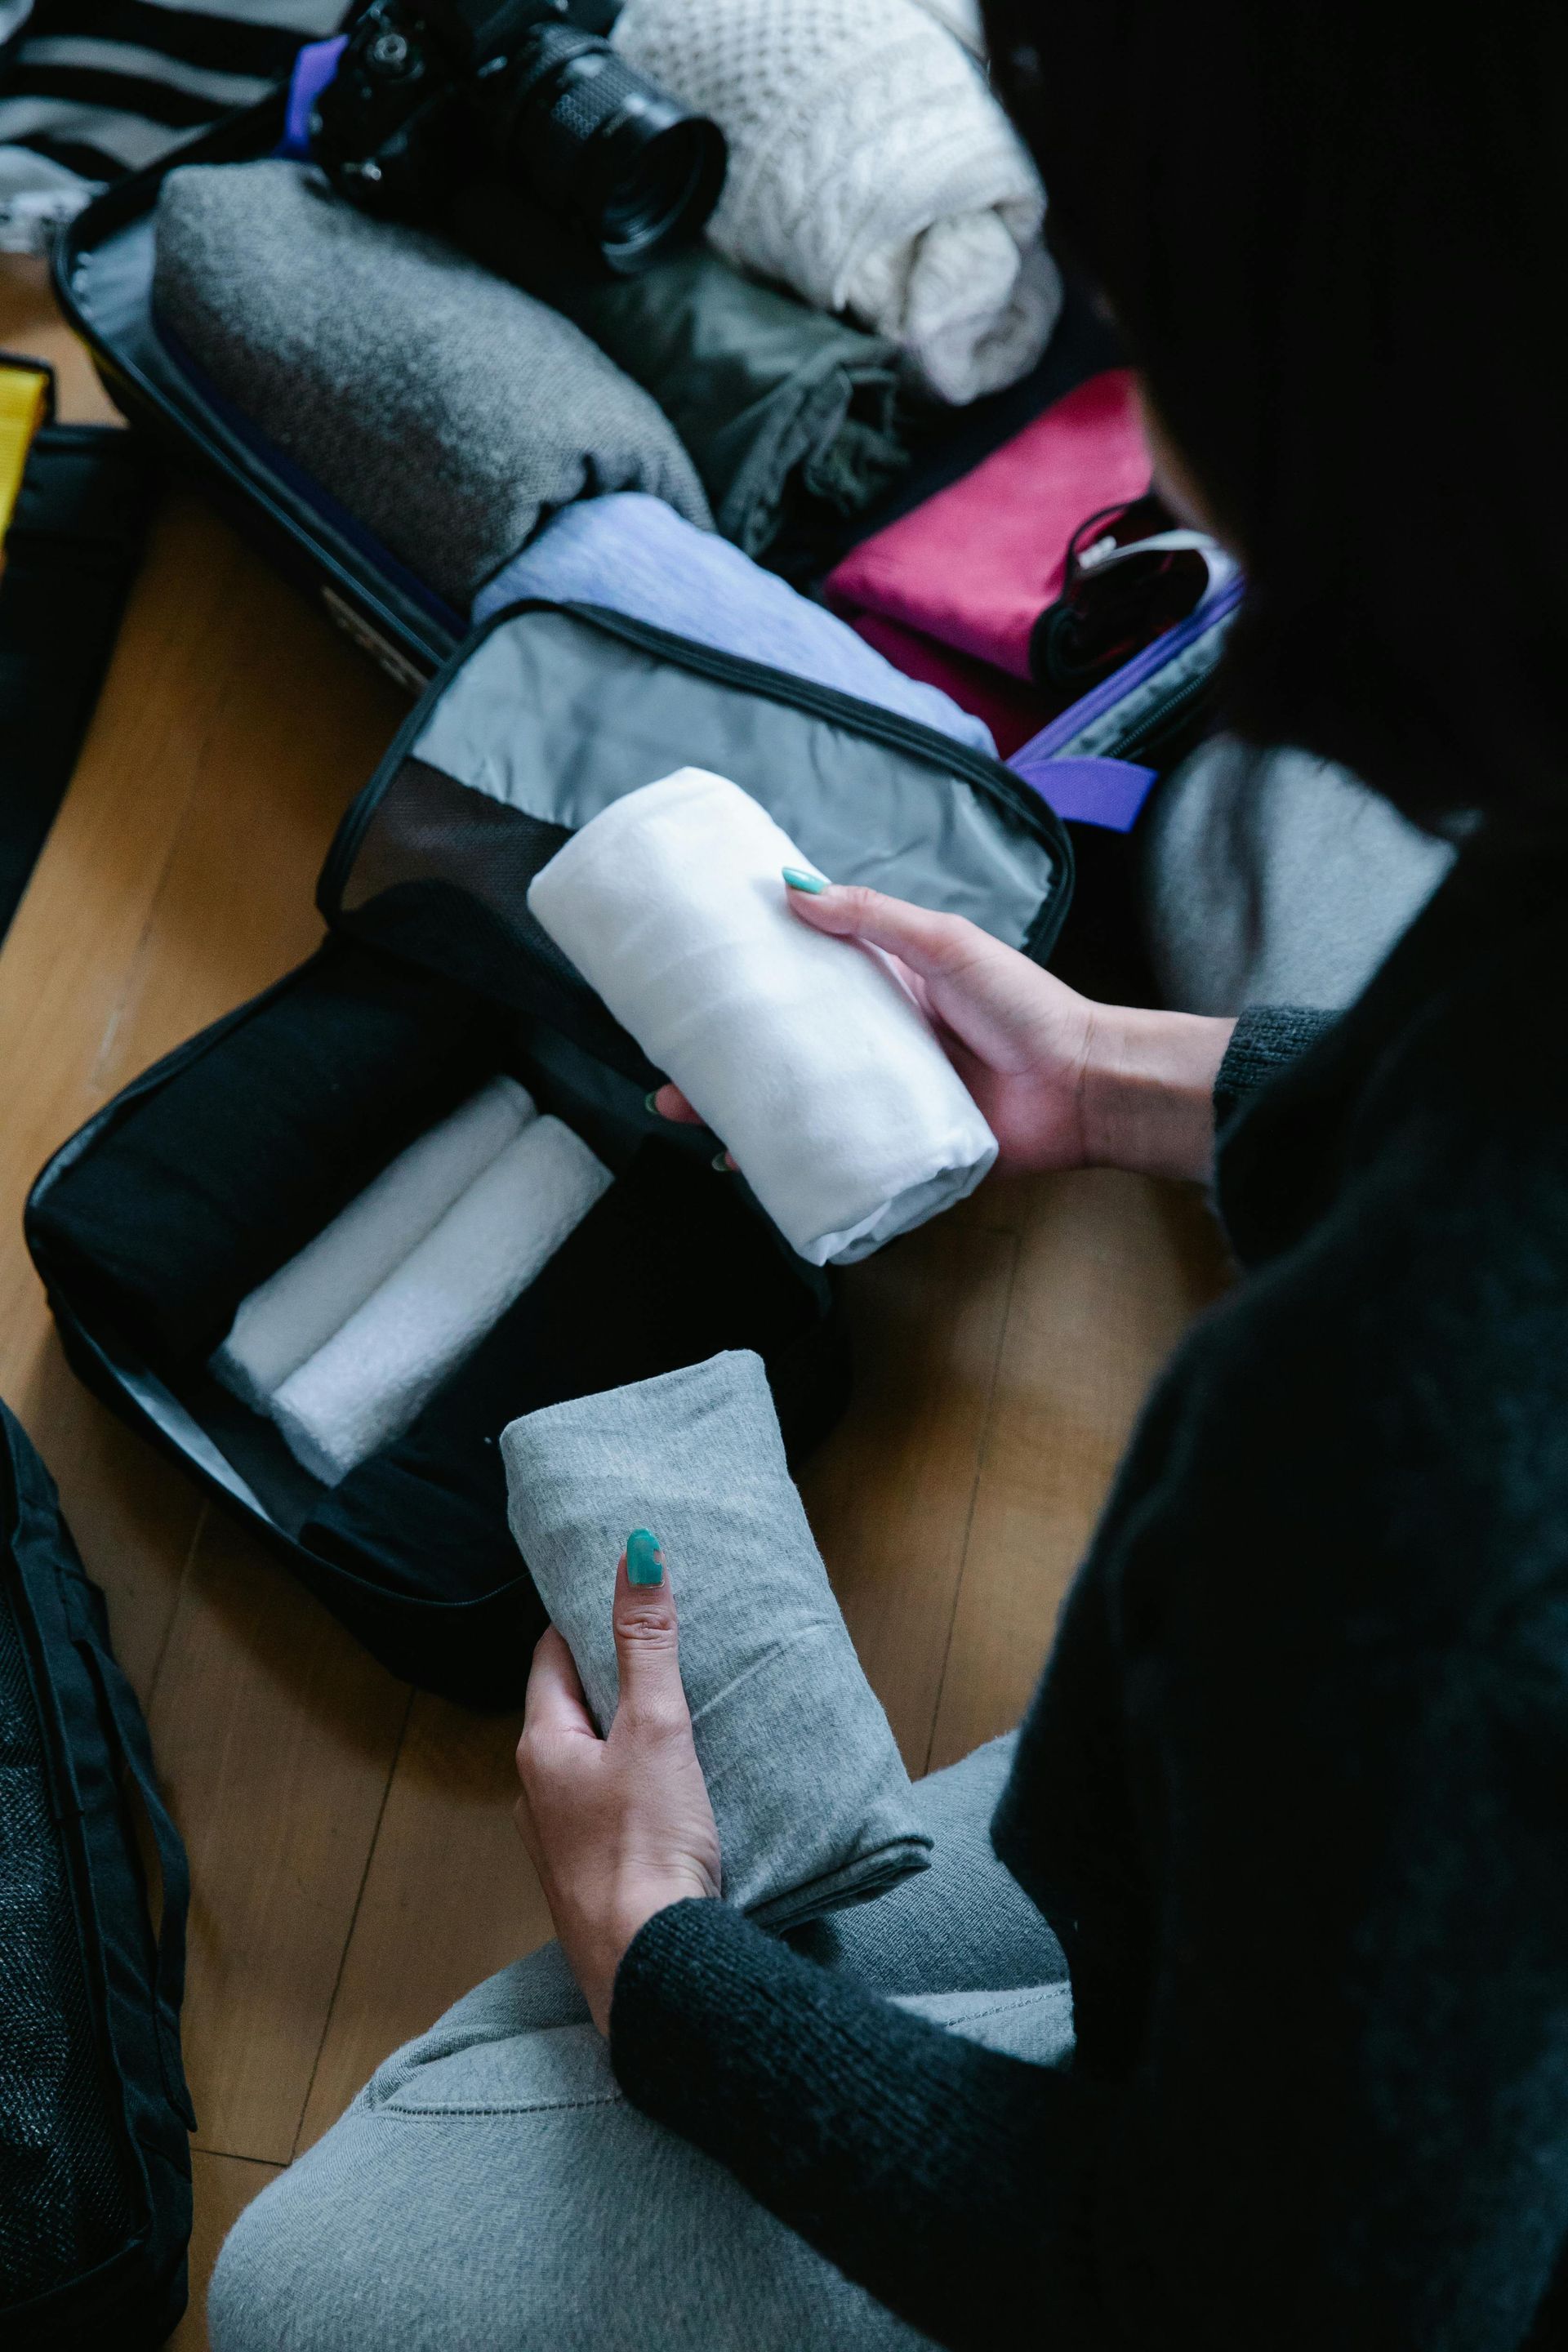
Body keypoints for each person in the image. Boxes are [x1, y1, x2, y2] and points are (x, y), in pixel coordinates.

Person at [208, 5, 1568, 2346]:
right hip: (1398, 1875)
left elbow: (1248, 2301)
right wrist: (1119, 1075)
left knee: (322, 2261)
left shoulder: (1387, 1469)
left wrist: (664, 1974)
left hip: (1389, 2150)